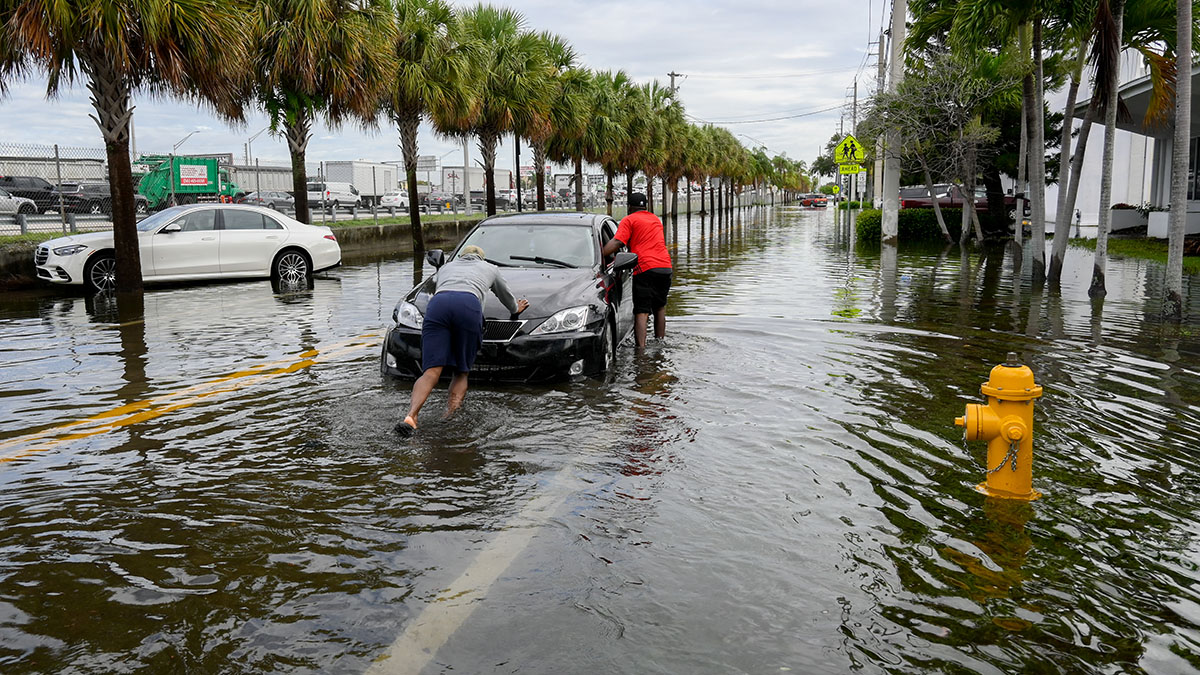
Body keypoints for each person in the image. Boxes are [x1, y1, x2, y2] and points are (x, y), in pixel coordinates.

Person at [396, 245, 528, 436]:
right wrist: (515, 309)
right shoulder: (490, 268)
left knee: (431, 371)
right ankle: (448, 418)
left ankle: (411, 416)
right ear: (480, 259)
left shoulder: (446, 268)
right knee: (461, 371)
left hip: (438, 305)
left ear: (461, 257)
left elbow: (437, 289)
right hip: (468, 305)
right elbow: (506, 297)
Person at [601, 192, 672, 348]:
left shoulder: (629, 220)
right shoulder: (655, 219)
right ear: (645, 206)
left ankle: (640, 350)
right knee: (660, 307)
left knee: (642, 311)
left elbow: (617, 242)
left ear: (629, 207)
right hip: (665, 267)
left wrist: (598, 254)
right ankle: (660, 343)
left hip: (645, 268)